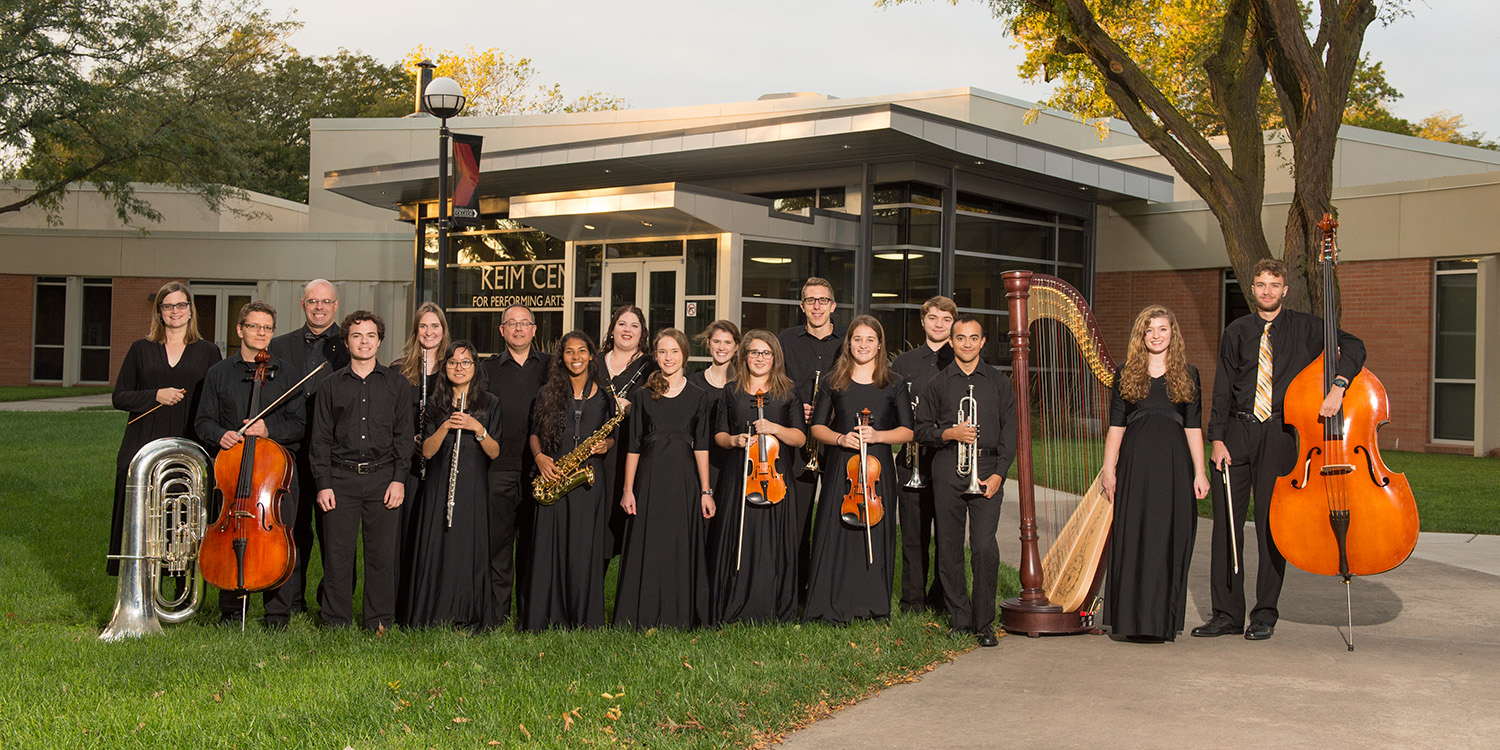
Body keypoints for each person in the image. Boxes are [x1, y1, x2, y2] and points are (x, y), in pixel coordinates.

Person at [1193, 258, 1366, 641]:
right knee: (1226, 526)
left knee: (1273, 527)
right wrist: (1217, 439)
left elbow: (1354, 346)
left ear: (1285, 290)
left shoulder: (1307, 328)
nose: (1267, 291)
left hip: (1279, 435)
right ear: (1251, 289)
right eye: (1260, 284)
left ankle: (1264, 614)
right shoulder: (1236, 331)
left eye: (1274, 284)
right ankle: (1225, 614)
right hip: (1237, 433)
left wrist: (1338, 386)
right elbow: (1223, 388)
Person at [1098, 306, 1208, 642]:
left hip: (1174, 466)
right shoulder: (1126, 373)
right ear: (1141, 336)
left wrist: (1200, 473)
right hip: (1135, 465)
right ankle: (1130, 622)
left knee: (1167, 538)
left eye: (1162, 329)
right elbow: (1116, 427)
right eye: (1150, 330)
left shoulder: (1189, 374)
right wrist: (1108, 468)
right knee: (1134, 536)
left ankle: (1161, 623)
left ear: (1173, 334)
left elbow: (1193, 428)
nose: (1156, 336)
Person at [194, 301, 305, 628]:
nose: (261, 333)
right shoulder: (218, 374)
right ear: (240, 330)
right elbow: (203, 422)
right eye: (254, 326)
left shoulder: (287, 374)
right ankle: (230, 611)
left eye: (267, 328)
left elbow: (299, 424)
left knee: (279, 541)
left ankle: (277, 615)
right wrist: (221, 435)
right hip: (232, 476)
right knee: (229, 537)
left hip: (275, 478)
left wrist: (269, 430)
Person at [804, 316, 913, 624]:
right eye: (857, 339)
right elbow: (816, 428)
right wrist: (841, 438)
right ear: (848, 343)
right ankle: (829, 604)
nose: (863, 345)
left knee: (875, 532)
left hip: (876, 471)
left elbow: (907, 431)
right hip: (842, 467)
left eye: (870, 339)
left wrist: (878, 436)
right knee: (835, 532)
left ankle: (872, 606)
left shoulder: (894, 382)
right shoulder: (832, 381)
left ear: (879, 345)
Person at [915, 316, 1016, 647]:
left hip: (987, 469)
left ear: (983, 342)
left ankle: (983, 621)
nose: (968, 344)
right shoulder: (939, 383)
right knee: (949, 548)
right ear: (952, 342)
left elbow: (1011, 433)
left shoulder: (999, 383)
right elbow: (920, 430)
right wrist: (950, 432)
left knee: (984, 546)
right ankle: (960, 617)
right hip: (948, 466)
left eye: (974, 338)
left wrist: (1000, 473)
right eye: (961, 338)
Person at [108, 281, 221, 575]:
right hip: (144, 444)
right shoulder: (140, 349)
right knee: (144, 523)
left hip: (188, 444)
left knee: (184, 522)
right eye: (168, 306)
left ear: (190, 310)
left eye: (181, 305)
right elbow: (119, 396)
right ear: (159, 312)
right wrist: (154, 395)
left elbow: (217, 401)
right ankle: (140, 585)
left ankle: (183, 587)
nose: (175, 311)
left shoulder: (209, 352)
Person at [308, 311, 412, 631]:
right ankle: (335, 620)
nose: (364, 341)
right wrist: (323, 484)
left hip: (383, 479)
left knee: (381, 556)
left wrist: (398, 480)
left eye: (370, 336)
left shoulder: (397, 385)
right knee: (338, 556)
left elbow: (404, 437)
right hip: (340, 479)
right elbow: (321, 439)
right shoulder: (329, 386)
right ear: (346, 341)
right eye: (357, 335)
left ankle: (378, 621)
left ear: (379, 341)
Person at [614, 329, 716, 629]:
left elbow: (702, 445)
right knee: (649, 543)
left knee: (679, 544)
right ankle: (641, 615)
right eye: (662, 351)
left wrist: (705, 490)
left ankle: (679, 615)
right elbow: (632, 446)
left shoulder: (700, 396)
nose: (668, 357)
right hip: (649, 480)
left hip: (684, 481)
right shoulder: (642, 396)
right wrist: (628, 489)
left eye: (674, 351)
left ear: (685, 354)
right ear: (655, 356)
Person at [398, 340, 500, 632]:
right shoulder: (435, 404)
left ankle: (467, 611)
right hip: (438, 486)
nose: (459, 368)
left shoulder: (490, 403)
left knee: (468, 548)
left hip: (473, 488)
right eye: (453, 362)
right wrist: (446, 425)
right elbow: (427, 451)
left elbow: (494, 452)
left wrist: (476, 428)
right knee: (438, 546)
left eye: (466, 362)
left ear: (475, 368)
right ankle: (434, 612)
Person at [710, 330, 805, 625]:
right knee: (739, 540)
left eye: (766, 353)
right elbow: (719, 435)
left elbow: (800, 438)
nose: (760, 358)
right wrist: (735, 441)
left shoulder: (788, 391)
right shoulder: (732, 390)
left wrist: (774, 428)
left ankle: (772, 607)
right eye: (754, 352)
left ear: (775, 357)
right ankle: (734, 605)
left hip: (775, 478)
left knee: (772, 544)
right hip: (739, 477)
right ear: (744, 356)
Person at [524, 332, 617, 631]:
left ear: (592, 355)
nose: (575, 357)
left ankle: (583, 619)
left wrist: (607, 445)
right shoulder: (547, 392)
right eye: (568, 352)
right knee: (548, 547)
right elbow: (534, 432)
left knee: (584, 549)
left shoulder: (605, 396)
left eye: (582, 351)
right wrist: (540, 458)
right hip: (553, 473)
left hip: (589, 480)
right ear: (560, 357)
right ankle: (545, 618)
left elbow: (612, 435)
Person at [268, 279, 350, 617]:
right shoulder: (279, 345)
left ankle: (330, 603)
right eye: (313, 301)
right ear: (303, 305)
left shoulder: (353, 344)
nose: (319, 307)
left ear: (336, 305)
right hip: (290, 450)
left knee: (334, 532)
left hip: (335, 453)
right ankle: (293, 599)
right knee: (294, 527)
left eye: (326, 302)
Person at [478, 304, 551, 627]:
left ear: (535, 330)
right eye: (512, 324)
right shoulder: (487, 369)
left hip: (541, 471)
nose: (519, 329)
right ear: (502, 331)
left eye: (525, 324)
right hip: (499, 470)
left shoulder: (551, 367)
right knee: (498, 545)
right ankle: (497, 613)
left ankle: (531, 614)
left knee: (535, 546)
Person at [777, 278, 846, 596]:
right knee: (796, 520)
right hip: (796, 440)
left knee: (835, 519)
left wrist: (829, 413)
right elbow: (776, 383)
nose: (817, 306)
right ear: (801, 306)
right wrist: (796, 408)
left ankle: (827, 590)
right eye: (810, 300)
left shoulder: (847, 342)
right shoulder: (785, 340)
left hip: (834, 439)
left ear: (833, 305)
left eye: (823, 300)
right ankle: (795, 590)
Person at [889, 295, 956, 613]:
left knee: (946, 533)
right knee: (914, 535)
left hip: (946, 459)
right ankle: (912, 600)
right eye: (933, 318)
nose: (939, 324)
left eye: (946, 319)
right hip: (910, 459)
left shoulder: (959, 360)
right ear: (923, 321)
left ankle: (942, 597)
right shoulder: (903, 364)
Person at [390, 301, 451, 596]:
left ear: (443, 330)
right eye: (423, 326)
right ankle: (403, 596)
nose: (429, 332)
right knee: (407, 529)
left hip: (442, 460)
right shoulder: (398, 369)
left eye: (435, 326)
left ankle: (432, 594)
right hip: (407, 461)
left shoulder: (454, 366)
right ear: (416, 331)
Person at [598, 305, 656, 565]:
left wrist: (633, 407)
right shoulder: (595, 361)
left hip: (632, 449)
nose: (627, 330)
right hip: (596, 449)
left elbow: (659, 408)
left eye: (634, 325)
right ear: (612, 329)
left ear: (642, 331)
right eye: (622, 323)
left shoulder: (651, 365)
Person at [687, 320, 741, 490]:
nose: (721, 347)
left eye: (728, 342)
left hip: (734, 459)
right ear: (708, 343)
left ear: (737, 346)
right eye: (717, 341)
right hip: (701, 460)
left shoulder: (744, 384)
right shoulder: (693, 383)